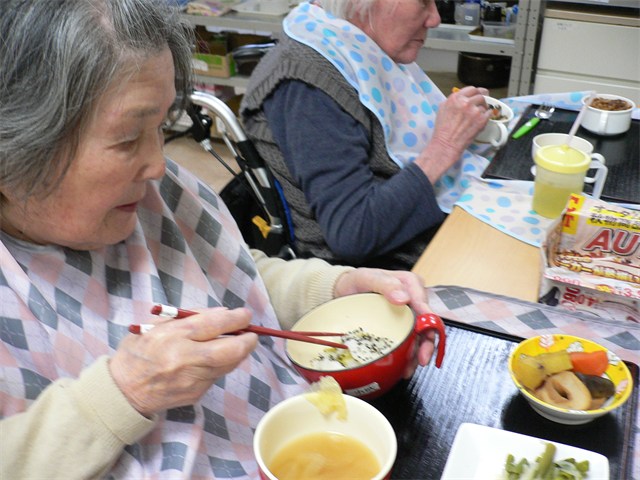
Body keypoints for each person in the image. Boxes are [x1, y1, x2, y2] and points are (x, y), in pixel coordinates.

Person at [0, 1, 438, 478]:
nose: (158, 165)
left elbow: (227, 273)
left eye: (163, 127)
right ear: (15, 151)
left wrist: (332, 290)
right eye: (127, 139)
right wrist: (123, 391)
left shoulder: (151, 191)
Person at [240, 0, 492, 270]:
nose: (434, 19)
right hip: (384, 269)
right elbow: (353, 233)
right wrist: (444, 146)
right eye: (422, 3)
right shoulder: (306, 85)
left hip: (421, 232)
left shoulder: (361, 45)